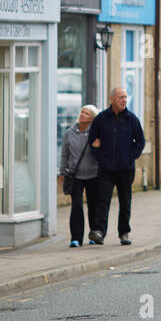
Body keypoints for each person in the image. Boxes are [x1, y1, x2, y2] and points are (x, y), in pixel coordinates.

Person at [87, 88, 145, 245]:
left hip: (125, 169)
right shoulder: (101, 119)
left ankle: (124, 233)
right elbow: (92, 139)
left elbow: (140, 141)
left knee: (125, 201)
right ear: (112, 99)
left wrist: (130, 156)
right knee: (102, 201)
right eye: (120, 97)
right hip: (106, 168)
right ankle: (99, 232)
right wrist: (99, 155)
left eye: (125, 97)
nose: (124, 100)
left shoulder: (132, 119)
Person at [58, 105, 100, 247]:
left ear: (92, 119)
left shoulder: (95, 134)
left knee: (93, 206)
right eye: (82, 112)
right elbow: (65, 154)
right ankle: (76, 238)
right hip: (74, 175)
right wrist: (62, 172)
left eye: (87, 113)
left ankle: (94, 234)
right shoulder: (69, 133)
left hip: (93, 175)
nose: (82, 114)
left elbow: (101, 153)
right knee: (76, 205)